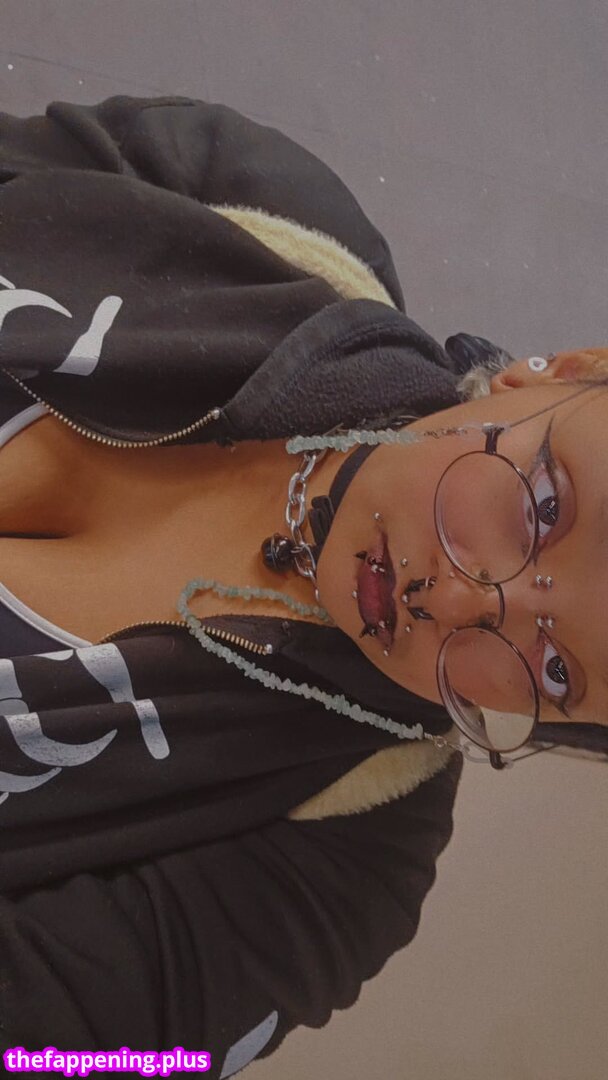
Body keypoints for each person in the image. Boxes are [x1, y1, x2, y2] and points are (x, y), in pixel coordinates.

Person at [0, 94, 605, 1079]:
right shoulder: (264, 216)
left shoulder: (331, 877)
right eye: (542, 505)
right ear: (563, 371)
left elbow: (50, 1055)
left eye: (553, 671)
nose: (455, 602)